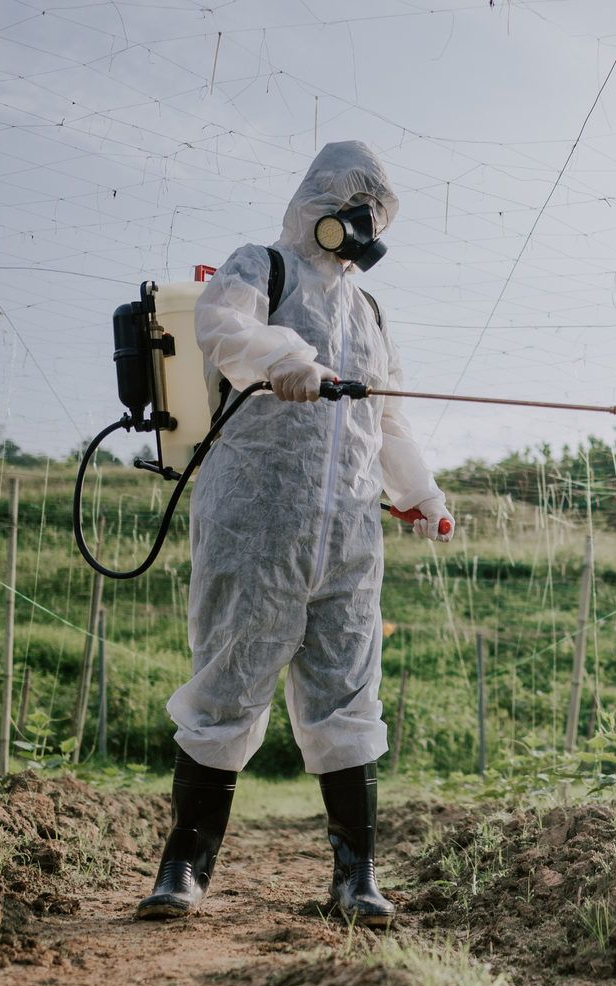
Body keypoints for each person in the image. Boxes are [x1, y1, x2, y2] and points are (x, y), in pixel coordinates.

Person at [136, 141, 452, 927]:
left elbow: (389, 418)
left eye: (375, 219)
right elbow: (221, 327)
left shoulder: (370, 313)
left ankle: (356, 876)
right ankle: (183, 865)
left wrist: (420, 493)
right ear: (323, 205)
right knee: (225, 687)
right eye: (355, 211)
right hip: (257, 524)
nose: (362, 229)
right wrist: (288, 356)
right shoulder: (263, 266)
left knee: (349, 694)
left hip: (347, 534)